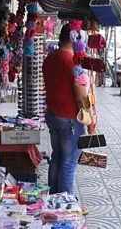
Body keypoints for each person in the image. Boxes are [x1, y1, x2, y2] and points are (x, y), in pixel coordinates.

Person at [42, 24, 89, 201]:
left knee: (57, 157)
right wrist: (89, 118)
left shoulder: (50, 58)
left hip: (53, 115)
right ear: (74, 37)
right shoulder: (71, 61)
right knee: (69, 162)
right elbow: (80, 97)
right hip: (69, 118)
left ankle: (53, 198)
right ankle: (65, 203)